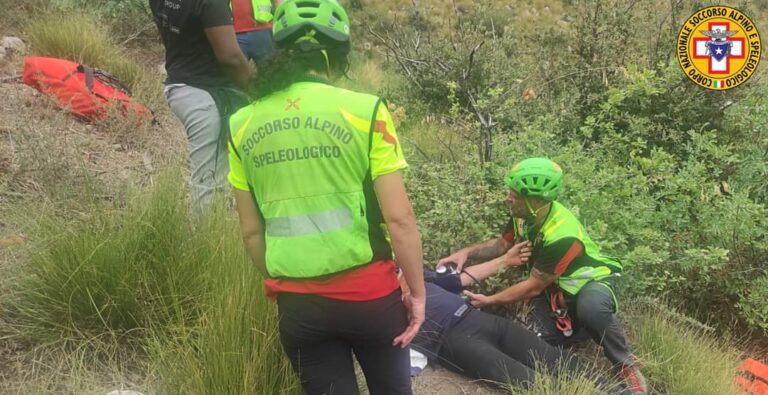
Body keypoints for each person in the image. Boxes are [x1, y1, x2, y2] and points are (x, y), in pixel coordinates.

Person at [226, 0, 426, 394]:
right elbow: (400, 220)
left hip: (299, 307)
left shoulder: (241, 124)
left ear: (279, 51)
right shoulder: (365, 111)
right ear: (337, 56)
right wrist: (417, 294)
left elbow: (251, 232)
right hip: (371, 297)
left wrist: (276, 282)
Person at [438, 157, 649, 395]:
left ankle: (625, 364)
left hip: (589, 283)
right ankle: (579, 331)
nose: (508, 197)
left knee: (592, 308)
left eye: (514, 195)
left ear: (534, 200)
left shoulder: (561, 234)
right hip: (556, 292)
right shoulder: (524, 214)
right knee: (533, 340)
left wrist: (490, 300)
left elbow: (533, 287)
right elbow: (501, 245)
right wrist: (466, 253)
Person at [150, 0, 252, 212]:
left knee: (216, 177)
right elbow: (230, 58)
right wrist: (260, 88)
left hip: (179, 85)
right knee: (209, 186)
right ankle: (203, 241)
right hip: (206, 97)